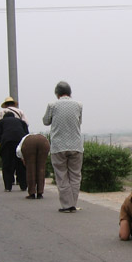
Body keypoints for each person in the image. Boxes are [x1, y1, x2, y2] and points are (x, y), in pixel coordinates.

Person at [42, 81, 83, 212]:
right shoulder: (78, 105)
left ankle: (67, 205)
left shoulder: (52, 105)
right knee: (75, 175)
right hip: (76, 145)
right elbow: (79, 122)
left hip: (58, 146)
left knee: (61, 175)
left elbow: (45, 121)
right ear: (70, 93)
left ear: (57, 94)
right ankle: (73, 203)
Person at [0, 110, 29, 192]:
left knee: (7, 165)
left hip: (7, 143)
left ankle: (8, 186)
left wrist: (3, 141)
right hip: (20, 143)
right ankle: (23, 185)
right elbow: (26, 134)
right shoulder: (22, 122)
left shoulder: (1, 122)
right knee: (21, 164)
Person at [16, 133, 51, 200]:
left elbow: (18, 150)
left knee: (30, 169)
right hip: (43, 141)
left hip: (29, 143)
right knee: (41, 168)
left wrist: (23, 158)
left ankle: (32, 193)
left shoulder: (23, 141)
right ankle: (40, 193)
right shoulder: (39, 136)